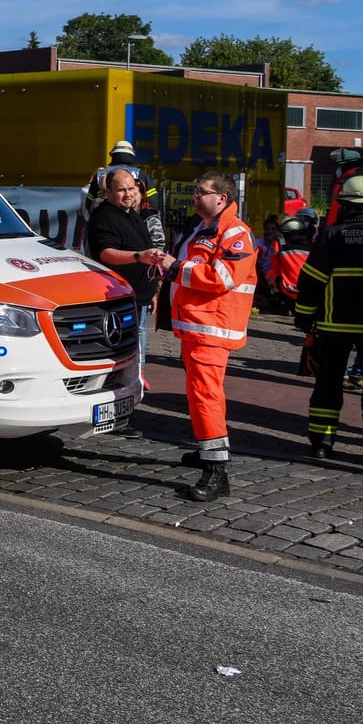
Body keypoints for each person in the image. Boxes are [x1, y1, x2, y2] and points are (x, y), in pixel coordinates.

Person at [292, 173, 363, 468]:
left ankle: (322, 443)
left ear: (343, 203)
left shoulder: (329, 237)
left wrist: (304, 317)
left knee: (327, 384)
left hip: (333, 326)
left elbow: (312, 281)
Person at [163, 171, 257, 501]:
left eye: (201, 192)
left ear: (222, 198)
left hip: (212, 329)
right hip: (196, 327)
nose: (194, 196)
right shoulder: (204, 227)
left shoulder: (235, 232)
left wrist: (175, 267)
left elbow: (223, 277)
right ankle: (208, 453)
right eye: (195, 190)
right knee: (199, 395)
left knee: (206, 397)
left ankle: (216, 472)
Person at [87, 169, 167, 392]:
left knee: (138, 340)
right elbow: (105, 253)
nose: (128, 194)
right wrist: (139, 257)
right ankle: (124, 388)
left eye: (132, 188)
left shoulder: (132, 214)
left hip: (139, 295)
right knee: (124, 348)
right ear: (109, 192)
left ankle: (134, 381)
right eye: (122, 190)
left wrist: (154, 289)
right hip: (119, 298)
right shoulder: (105, 216)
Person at [83, 140, 157, 218]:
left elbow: (89, 201)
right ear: (131, 156)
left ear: (113, 155)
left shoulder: (99, 174)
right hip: (133, 218)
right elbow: (152, 200)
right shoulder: (141, 174)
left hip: (105, 217)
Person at [268, 211, 315, 312]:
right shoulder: (311, 246)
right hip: (307, 290)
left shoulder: (279, 245)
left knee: (269, 275)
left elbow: (274, 269)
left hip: (287, 288)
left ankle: (281, 302)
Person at [322, 148, 363, 228]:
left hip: (342, 227)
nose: (338, 168)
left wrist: (329, 231)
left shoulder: (343, 182)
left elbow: (335, 209)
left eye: (340, 165)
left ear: (346, 165)